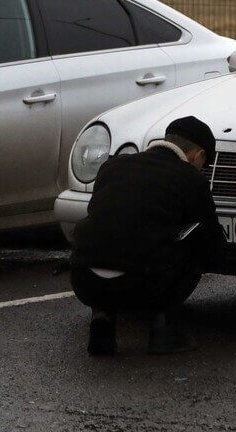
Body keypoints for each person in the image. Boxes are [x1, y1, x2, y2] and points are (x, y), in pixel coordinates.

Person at [69, 116, 220, 356]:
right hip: (142, 286)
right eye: (204, 163)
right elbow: (213, 242)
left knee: (109, 239)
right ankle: (163, 330)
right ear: (198, 156)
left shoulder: (113, 166)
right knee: (193, 239)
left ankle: (103, 316)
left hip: (84, 280)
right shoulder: (191, 178)